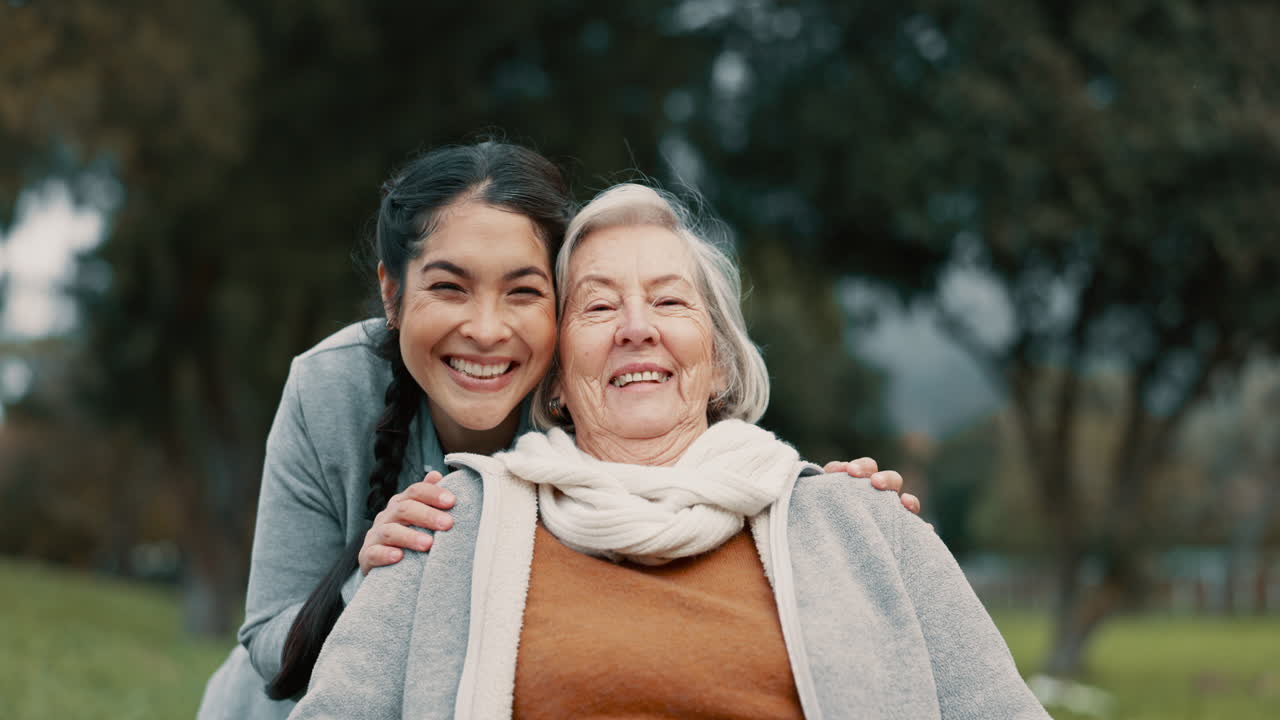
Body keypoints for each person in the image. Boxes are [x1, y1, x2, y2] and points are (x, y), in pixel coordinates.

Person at [197, 143, 918, 719]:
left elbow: (701, 457)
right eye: (449, 287)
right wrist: (369, 575)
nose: (485, 330)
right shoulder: (331, 386)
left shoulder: (583, 405)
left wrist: (833, 507)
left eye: (522, 292)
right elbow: (266, 640)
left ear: (563, 307)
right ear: (392, 292)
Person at [289, 183, 1049, 719]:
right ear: (555, 381)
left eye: (669, 299)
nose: (635, 327)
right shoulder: (449, 529)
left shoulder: (862, 525)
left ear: (718, 358)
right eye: (597, 304)